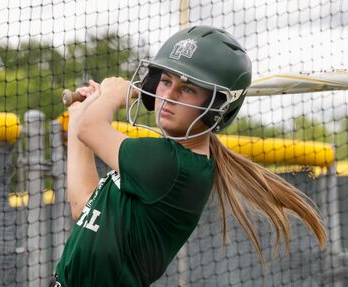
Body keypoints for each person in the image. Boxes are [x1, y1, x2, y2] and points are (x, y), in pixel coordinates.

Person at [52, 25, 327, 286]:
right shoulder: (163, 160)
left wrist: (111, 95)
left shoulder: (170, 166)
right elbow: (84, 205)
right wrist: (79, 115)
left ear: (216, 106)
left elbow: (92, 128)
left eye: (187, 88)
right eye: (164, 81)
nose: (168, 95)